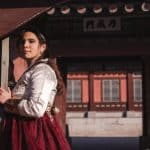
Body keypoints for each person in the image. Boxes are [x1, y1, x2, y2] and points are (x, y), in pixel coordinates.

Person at [0, 27, 71, 150]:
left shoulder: (42, 71)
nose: (25, 45)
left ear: (42, 47)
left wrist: (8, 100)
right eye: (22, 42)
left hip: (34, 131)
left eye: (31, 41)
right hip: (24, 127)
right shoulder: (34, 70)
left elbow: (36, 108)